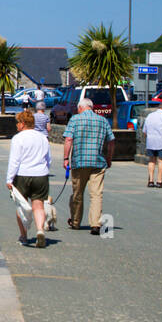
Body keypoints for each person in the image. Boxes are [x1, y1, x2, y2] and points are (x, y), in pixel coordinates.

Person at [63, 98, 115, 235]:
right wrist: (109, 158)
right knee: (96, 194)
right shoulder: (103, 120)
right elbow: (111, 142)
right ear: (91, 107)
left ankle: (75, 221)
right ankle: (96, 224)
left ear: (81, 108)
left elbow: (68, 139)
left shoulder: (75, 119)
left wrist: (65, 158)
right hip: (98, 162)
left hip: (79, 162)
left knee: (77, 193)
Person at [6, 109, 51, 247]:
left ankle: (24, 236)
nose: (17, 125)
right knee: (38, 206)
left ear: (23, 123)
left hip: (23, 174)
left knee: (22, 206)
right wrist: (45, 170)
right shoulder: (42, 138)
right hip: (40, 174)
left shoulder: (18, 138)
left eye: (18, 122)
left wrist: (9, 179)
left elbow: (15, 160)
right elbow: (48, 158)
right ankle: (40, 230)